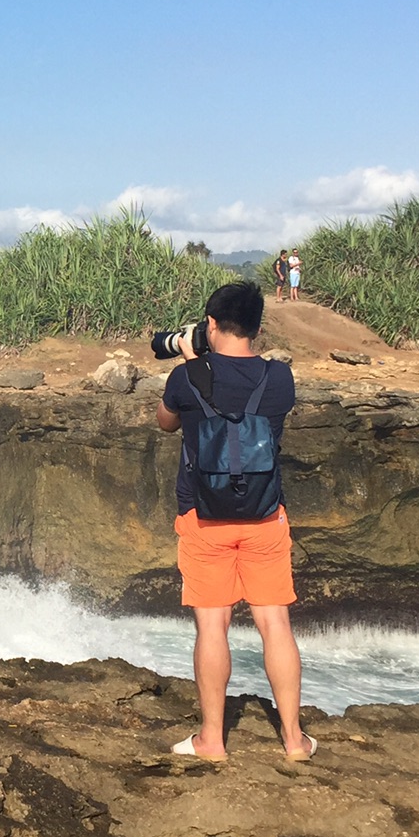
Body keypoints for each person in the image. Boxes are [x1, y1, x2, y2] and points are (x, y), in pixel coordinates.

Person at [155, 280, 311, 761]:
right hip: (265, 517)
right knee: (274, 623)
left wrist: (187, 358)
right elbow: (245, 403)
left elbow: (167, 422)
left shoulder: (186, 377)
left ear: (210, 322)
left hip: (204, 520)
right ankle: (293, 740)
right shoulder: (280, 380)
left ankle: (212, 741)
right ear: (258, 328)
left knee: (213, 626)